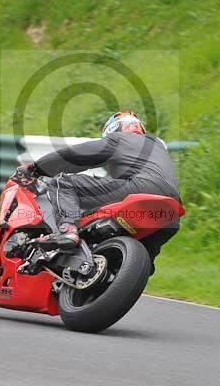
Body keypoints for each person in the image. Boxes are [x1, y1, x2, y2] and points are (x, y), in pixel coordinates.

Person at [22, 111, 180, 269]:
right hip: (172, 211)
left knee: (63, 183)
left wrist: (36, 168)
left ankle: (67, 230)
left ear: (113, 129)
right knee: (140, 265)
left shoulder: (119, 139)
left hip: (141, 188)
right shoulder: (159, 147)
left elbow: (75, 156)